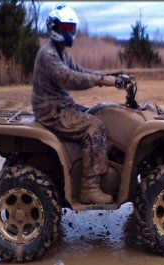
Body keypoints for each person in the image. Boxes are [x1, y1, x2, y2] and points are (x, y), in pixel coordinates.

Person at [32, 4, 121, 204]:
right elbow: (71, 78)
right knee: (94, 126)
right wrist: (103, 81)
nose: (69, 32)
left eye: (71, 28)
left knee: (102, 113)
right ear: (54, 28)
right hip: (52, 111)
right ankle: (89, 188)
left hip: (61, 106)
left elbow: (80, 70)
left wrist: (109, 77)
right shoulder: (48, 54)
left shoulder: (61, 52)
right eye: (65, 28)